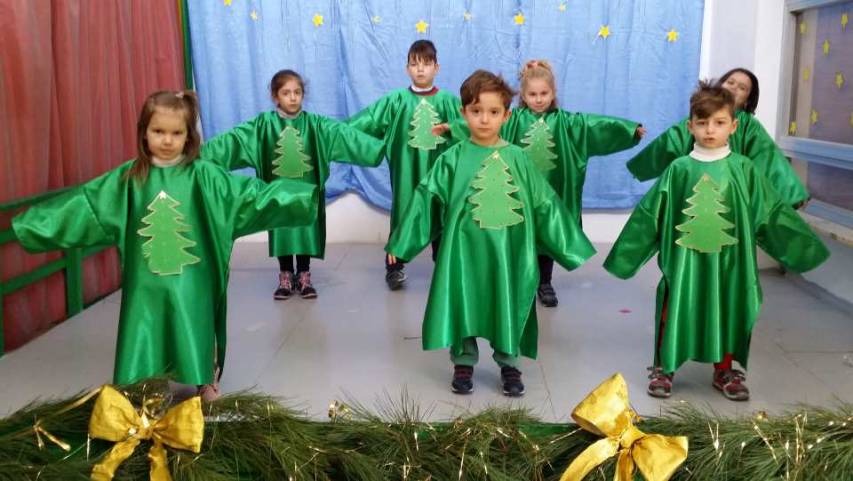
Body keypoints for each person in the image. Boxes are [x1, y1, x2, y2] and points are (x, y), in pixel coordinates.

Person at [12, 91, 318, 401]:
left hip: (191, 276)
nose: (168, 141)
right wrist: (30, 225)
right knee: (146, 321)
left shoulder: (204, 177)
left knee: (193, 316)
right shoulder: (130, 179)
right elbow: (86, 205)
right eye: (158, 131)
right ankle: (145, 381)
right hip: (146, 279)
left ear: (189, 137)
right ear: (144, 133)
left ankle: (203, 378)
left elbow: (248, 196)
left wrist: (299, 197)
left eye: (177, 133)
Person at [603, 82, 828, 401]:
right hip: (684, 261)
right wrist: (625, 257)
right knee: (674, 306)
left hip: (730, 261)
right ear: (690, 125)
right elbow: (650, 214)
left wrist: (804, 249)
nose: (710, 130)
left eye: (719, 122)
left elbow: (770, 212)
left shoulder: (743, 169)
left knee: (728, 307)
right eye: (703, 122)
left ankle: (724, 369)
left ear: (733, 126)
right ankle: (665, 367)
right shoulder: (679, 169)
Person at [386, 70, 596, 397]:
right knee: (463, 298)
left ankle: (509, 363)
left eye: (493, 112)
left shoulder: (517, 158)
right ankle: (464, 361)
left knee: (506, 298)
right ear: (463, 113)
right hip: (462, 253)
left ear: (506, 115)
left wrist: (570, 245)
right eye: (476, 111)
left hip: (506, 254)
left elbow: (544, 202)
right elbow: (426, 198)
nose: (484, 120)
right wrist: (401, 244)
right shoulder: (452, 158)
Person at [436, 59, 644, 307]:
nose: (538, 99)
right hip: (518, 192)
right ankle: (515, 281)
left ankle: (544, 282)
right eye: (532, 94)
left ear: (553, 93)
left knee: (545, 238)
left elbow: (595, 126)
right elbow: (487, 124)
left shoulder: (567, 123)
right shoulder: (513, 120)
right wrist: (452, 129)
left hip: (550, 192)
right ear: (523, 95)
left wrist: (628, 130)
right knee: (518, 235)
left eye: (543, 93)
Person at [202, 69, 384, 300]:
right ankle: (286, 275)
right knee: (282, 229)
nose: (293, 97)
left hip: (306, 192)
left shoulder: (315, 125)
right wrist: (200, 155)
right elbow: (234, 140)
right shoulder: (263, 126)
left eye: (297, 92)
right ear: (275, 96)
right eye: (286, 93)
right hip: (278, 195)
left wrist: (380, 146)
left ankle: (304, 275)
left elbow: (345, 136)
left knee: (305, 228)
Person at [348, 40, 462, 290]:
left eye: (426, 64)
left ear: (437, 67)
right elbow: (364, 123)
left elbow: (468, 127)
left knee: (441, 216)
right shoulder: (395, 101)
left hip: (440, 177)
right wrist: (330, 134)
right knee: (403, 216)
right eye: (414, 64)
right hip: (406, 175)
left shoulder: (448, 102)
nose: (420, 69)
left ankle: (443, 266)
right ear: (407, 68)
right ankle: (394, 268)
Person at [626, 68, 809, 207]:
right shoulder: (698, 117)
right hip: (695, 187)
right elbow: (671, 141)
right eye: (730, 82)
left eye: (742, 88)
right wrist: (642, 165)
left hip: (733, 192)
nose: (734, 88)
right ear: (720, 85)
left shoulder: (748, 126)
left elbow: (768, 157)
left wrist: (792, 193)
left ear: (747, 100)